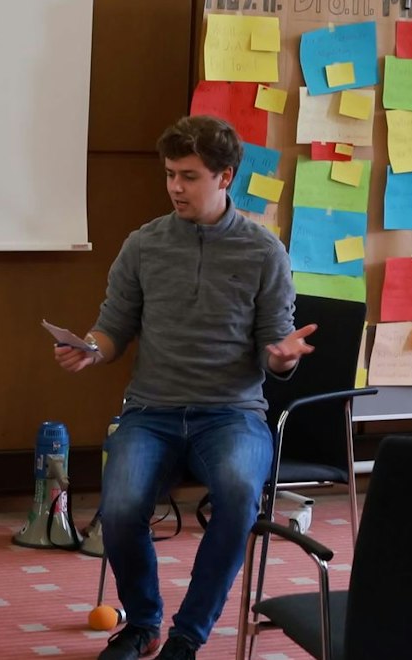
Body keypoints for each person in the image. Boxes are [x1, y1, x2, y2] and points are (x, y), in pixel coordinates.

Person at [55, 115, 314, 660]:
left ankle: (188, 635)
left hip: (233, 413)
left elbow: (275, 346)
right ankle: (143, 622)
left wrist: (283, 357)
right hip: (152, 410)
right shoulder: (143, 245)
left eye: (189, 176)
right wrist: (92, 348)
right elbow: (114, 326)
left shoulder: (265, 251)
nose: (175, 186)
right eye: (170, 174)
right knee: (120, 507)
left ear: (226, 177)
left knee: (241, 495)